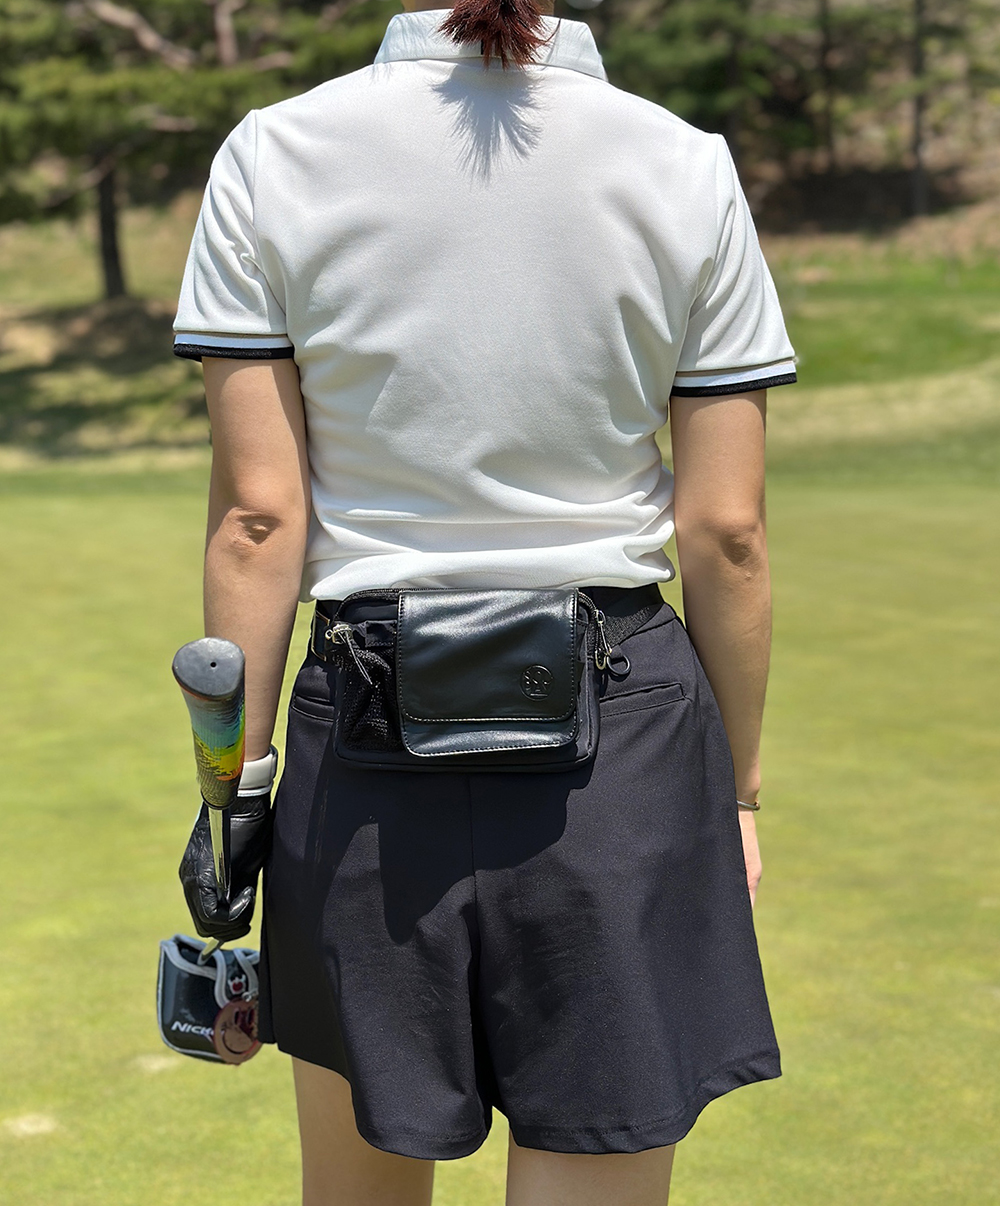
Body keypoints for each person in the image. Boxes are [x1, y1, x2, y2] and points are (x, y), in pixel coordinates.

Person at [173, 0, 796, 1200]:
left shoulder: (273, 149)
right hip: (623, 750)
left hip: (364, 744)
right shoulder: (681, 159)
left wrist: (230, 799)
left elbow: (259, 517)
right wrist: (736, 790)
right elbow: (726, 529)